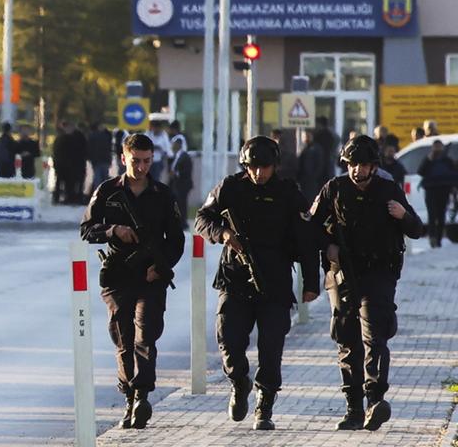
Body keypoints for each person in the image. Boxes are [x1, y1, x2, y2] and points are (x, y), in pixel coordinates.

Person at [195, 137, 320, 430]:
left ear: (274, 166)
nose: (258, 173)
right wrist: (223, 233)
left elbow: (306, 240)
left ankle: (265, 406)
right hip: (235, 279)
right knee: (228, 338)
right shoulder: (230, 187)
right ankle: (239, 382)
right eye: (252, 167)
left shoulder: (288, 193)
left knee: (271, 347)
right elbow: (202, 219)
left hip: (274, 283)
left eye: (264, 167)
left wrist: (311, 283)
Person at [308, 135, 426, 431]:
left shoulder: (389, 190)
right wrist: (327, 245)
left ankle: (375, 399)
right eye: (352, 164)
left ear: (374, 166)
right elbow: (309, 227)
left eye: (363, 164)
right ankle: (353, 409)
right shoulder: (333, 189)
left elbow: (416, 230)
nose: (357, 170)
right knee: (347, 340)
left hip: (378, 274)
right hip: (343, 275)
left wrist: (403, 216)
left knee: (374, 336)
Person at [80, 133, 185, 430]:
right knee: (124, 340)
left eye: (147, 161)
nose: (141, 168)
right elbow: (86, 230)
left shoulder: (163, 194)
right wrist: (114, 231)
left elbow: (176, 240)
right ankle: (128, 396)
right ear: (124, 158)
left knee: (145, 335)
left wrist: (160, 267)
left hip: (151, 276)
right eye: (136, 161)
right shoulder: (108, 191)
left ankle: (142, 395)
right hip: (117, 276)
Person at [417, 140, 456, 248]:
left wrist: (453, 188)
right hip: (431, 190)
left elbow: (453, 175)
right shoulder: (429, 159)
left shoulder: (447, 160)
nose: (438, 149)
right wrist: (429, 159)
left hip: (443, 190)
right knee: (433, 215)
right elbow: (421, 171)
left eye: (439, 147)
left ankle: (437, 239)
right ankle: (433, 238)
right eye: (436, 147)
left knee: (440, 215)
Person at [297, 130, 331, 201]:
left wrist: (314, 176)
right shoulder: (303, 148)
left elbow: (320, 164)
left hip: (312, 180)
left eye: (308, 136)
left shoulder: (316, 148)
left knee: (311, 198)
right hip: (303, 179)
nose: (306, 138)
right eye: (304, 136)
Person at [169, 135, 194, 224]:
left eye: (174, 144)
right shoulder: (177, 155)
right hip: (177, 184)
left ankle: (183, 222)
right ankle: (179, 221)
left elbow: (186, 170)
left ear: (179, 144)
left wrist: (176, 173)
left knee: (182, 204)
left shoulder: (185, 156)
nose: (172, 146)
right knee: (178, 204)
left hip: (183, 184)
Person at [88, 122, 114, 191]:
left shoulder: (92, 136)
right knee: (104, 177)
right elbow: (109, 146)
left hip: (96, 160)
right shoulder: (106, 135)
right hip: (105, 159)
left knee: (97, 177)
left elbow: (89, 148)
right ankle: (105, 192)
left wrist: (90, 158)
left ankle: (98, 192)